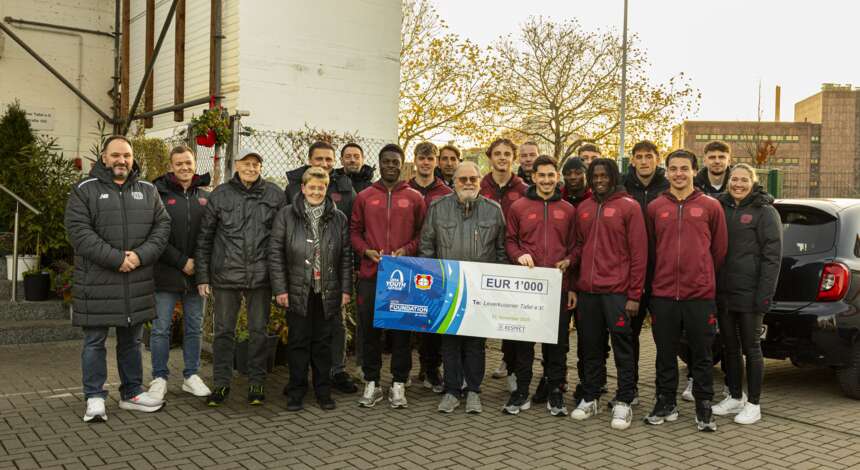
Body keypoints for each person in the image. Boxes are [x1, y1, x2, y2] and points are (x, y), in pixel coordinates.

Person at [65, 135, 171, 422]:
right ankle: (95, 397)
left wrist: (138, 257)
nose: (121, 160)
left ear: (133, 158)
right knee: (95, 341)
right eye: (116, 155)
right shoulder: (84, 190)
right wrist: (117, 259)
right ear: (104, 157)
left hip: (134, 282)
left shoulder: (148, 190)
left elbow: (162, 227)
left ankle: (132, 393)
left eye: (126, 155)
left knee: (132, 341)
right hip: (97, 282)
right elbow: (79, 232)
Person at [644, 149, 727, 432]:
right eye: (673, 168)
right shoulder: (655, 207)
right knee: (665, 353)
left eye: (684, 168)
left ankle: (704, 407)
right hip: (664, 294)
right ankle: (665, 402)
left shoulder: (710, 206)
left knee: (702, 354)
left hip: (699, 295)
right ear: (666, 172)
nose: (679, 173)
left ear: (694, 171)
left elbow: (718, 250)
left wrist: (701, 274)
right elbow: (651, 250)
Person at [196, 149, 286, 407]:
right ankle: (221, 384)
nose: (251, 168)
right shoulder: (221, 195)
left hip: (261, 276)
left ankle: (257, 382)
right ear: (236, 165)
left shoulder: (274, 194)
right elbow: (205, 237)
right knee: (224, 332)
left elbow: (281, 237)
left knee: (258, 332)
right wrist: (203, 275)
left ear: (260, 167)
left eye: (255, 164)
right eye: (246, 163)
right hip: (226, 275)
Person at [419, 161, 507, 414]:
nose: (468, 183)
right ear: (453, 182)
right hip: (449, 288)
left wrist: (495, 287)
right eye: (462, 179)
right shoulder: (438, 208)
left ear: (480, 181)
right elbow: (427, 247)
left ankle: (474, 392)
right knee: (450, 341)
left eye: (473, 179)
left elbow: (501, 251)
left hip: (480, 290)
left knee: (475, 342)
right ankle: (451, 391)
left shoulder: (493, 210)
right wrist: (434, 282)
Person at [568, 158, 647, 430]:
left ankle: (625, 399)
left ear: (613, 177)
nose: (599, 179)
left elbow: (639, 254)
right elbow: (579, 245)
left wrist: (635, 294)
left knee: (623, 347)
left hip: (617, 292)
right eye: (595, 175)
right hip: (588, 292)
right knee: (589, 346)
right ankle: (590, 396)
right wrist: (571, 270)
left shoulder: (630, 207)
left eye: (604, 175)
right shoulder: (585, 208)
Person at [269, 167, 353, 412]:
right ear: (303, 188)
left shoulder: (338, 218)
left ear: (326, 189)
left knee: (323, 344)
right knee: (297, 342)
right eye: (312, 187)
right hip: (297, 290)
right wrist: (280, 289)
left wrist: (345, 290)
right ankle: (296, 391)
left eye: (321, 187)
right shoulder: (286, 215)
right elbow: (275, 255)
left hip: (326, 291)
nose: (316, 191)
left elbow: (346, 257)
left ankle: (323, 391)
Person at [351, 144, 426, 409]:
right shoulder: (365, 196)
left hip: (404, 277)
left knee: (401, 333)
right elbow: (354, 232)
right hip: (372, 275)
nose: (391, 165)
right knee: (370, 332)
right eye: (386, 161)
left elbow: (422, 234)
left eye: (396, 161)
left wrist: (407, 250)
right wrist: (365, 251)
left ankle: (398, 383)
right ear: (379, 163)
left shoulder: (415, 197)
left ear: (403, 164)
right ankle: (372, 382)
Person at [504, 156, 577, 416]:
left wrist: (569, 261)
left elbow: (575, 246)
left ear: (557, 177)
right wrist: (518, 255)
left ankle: (555, 393)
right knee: (524, 344)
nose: (546, 180)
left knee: (556, 345)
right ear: (533, 177)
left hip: (557, 288)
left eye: (551, 175)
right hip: (527, 288)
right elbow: (509, 240)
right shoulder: (518, 207)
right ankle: (521, 391)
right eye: (541, 175)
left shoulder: (568, 209)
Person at [286, 141, 358, 394]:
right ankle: (298, 383)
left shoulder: (345, 194)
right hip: (300, 280)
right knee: (300, 335)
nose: (325, 164)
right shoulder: (291, 200)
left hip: (331, 281)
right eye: (320, 159)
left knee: (330, 333)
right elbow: (281, 245)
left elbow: (347, 247)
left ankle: (330, 378)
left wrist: (345, 284)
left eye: (329, 160)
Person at [712, 164, 782, 425]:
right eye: (734, 180)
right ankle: (734, 396)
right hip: (725, 293)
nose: (738, 184)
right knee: (730, 347)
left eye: (743, 180)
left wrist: (765, 295)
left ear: (753, 183)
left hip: (752, 295)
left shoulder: (765, 212)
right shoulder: (720, 207)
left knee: (752, 349)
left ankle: (753, 404)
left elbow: (772, 258)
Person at [148, 145, 212, 401]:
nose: (184, 167)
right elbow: (154, 236)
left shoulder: (205, 197)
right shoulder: (158, 195)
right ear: (171, 166)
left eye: (188, 162)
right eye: (179, 164)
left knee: (195, 327)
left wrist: (200, 265)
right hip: (166, 272)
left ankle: (191, 376)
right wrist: (181, 261)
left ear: (194, 164)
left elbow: (210, 235)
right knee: (161, 328)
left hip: (197, 274)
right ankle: (159, 377)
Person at [622, 140, 670, 402]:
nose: (643, 161)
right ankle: (631, 389)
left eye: (648, 156)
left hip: (662, 272)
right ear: (632, 161)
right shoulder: (622, 186)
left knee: (663, 338)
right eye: (638, 157)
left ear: (657, 159)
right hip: (632, 272)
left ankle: (664, 393)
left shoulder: (668, 187)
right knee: (630, 335)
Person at [479, 138, 528, 386]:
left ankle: (510, 368)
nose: (502, 157)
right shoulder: (479, 185)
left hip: (512, 262)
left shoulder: (523, 188)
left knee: (511, 321)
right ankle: (472, 372)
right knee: (478, 318)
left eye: (507, 153)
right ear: (490, 157)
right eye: (497, 153)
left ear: (514, 158)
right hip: (483, 260)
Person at [408, 142, 453, 393]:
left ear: (436, 161)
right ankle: (407, 370)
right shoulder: (405, 189)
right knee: (412, 318)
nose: (426, 162)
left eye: (430, 158)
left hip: (438, 263)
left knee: (435, 318)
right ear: (415, 160)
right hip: (409, 262)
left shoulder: (446, 191)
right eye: (421, 158)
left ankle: (432, 368)